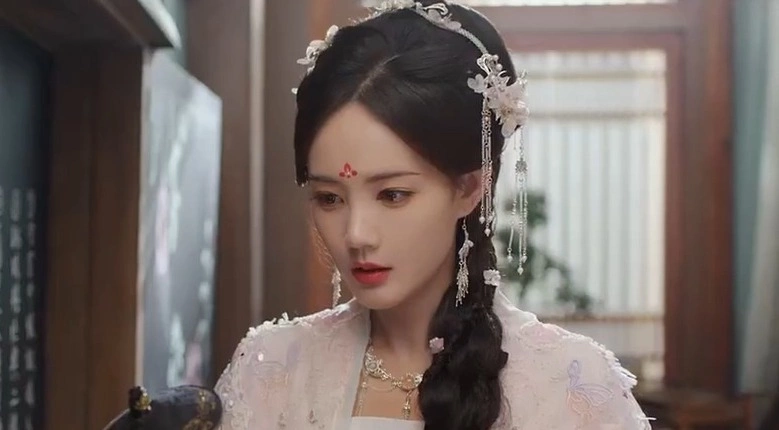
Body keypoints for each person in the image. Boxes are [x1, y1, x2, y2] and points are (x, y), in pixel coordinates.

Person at [215, 1, 651, 429]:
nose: (356, 234)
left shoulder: (571, 388)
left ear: (469, 188)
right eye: (330, 198)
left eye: (392, 194)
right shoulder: (270, 371)